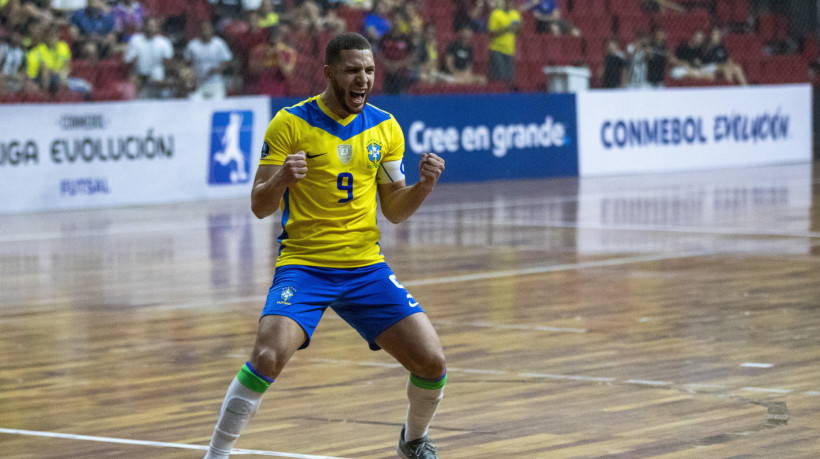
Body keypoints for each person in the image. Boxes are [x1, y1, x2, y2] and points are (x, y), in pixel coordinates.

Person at [202, 31, 447, 459]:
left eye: (369, 71)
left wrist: (424, 187)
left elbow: (394, 209)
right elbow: (260, 206)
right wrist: (280, 180)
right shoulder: (290, 124)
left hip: (365, 268)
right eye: (353, 71)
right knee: (266, 355)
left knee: (432, 363)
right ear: (330, 73)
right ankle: (216, 455)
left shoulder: (386, 127)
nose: (364, 79)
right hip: (305, 266)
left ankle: (412, 441)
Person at [27, 24, 92, 94]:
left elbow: (67, 67)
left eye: (55, 34)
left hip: (63, 77)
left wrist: (61, 72)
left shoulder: (63, 47)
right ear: (45, 36)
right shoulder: (39, 50)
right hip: (47, 79)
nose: (53, 37)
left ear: (58, 35)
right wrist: (58, 72)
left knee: (88, 87)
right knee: (51, 76)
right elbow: (44, 70)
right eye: (50, 35)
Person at [123, 17, 174, 98]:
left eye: (153, 26)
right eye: (149, 25)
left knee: (159, 76)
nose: (150, 28)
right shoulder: (135, 40)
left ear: (157, 27)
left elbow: (169, 63)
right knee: (132, 82)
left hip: (157, 76)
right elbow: (128, 60)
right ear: (144, 26)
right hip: (139, 75)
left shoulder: (164, 42)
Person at [184, 21, 234, 99]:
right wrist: (190, 75)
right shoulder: (193, 45)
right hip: (199, 84)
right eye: (203, 29)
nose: (206, 32)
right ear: (200, 31)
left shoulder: (219, 44)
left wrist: (218, 69)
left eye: (208, 29)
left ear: (212, 31)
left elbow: (228, 61)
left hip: (216, 83)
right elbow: (187, 63)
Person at [246, 26, 296, 96]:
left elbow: (288, 72)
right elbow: (252, 70)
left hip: (280, 87)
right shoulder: (257, 50)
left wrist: (278, 56)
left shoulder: (288, 51)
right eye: (271, 35)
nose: (274, 38)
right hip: (260, 87)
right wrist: (266, 57)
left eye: (276, 35)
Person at [487, 0, 520, 83]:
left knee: (509, 78)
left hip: (510, 50)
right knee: (499, 78)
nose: (509, 3)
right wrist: (506, 28)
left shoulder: (515, 14)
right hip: (497, 49)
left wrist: (519, 26)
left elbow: (519, 32)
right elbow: (491, 32)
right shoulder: (495, 14)